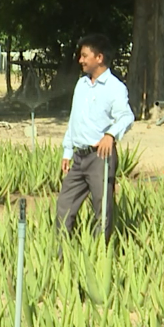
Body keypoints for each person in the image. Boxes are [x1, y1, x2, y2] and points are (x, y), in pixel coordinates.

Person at [57, 33, 134, 240]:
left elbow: (126, 116)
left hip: (100, 157)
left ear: (99, 58)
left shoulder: (115, 87)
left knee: (102, 208)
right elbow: (74, 119)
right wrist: (67, 150)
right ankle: (61, 252)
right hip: (79, 157)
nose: (80, 60)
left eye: (85, 56)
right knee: (64, 205)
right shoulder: (81, 84)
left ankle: (100, 251)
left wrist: (110, 135)